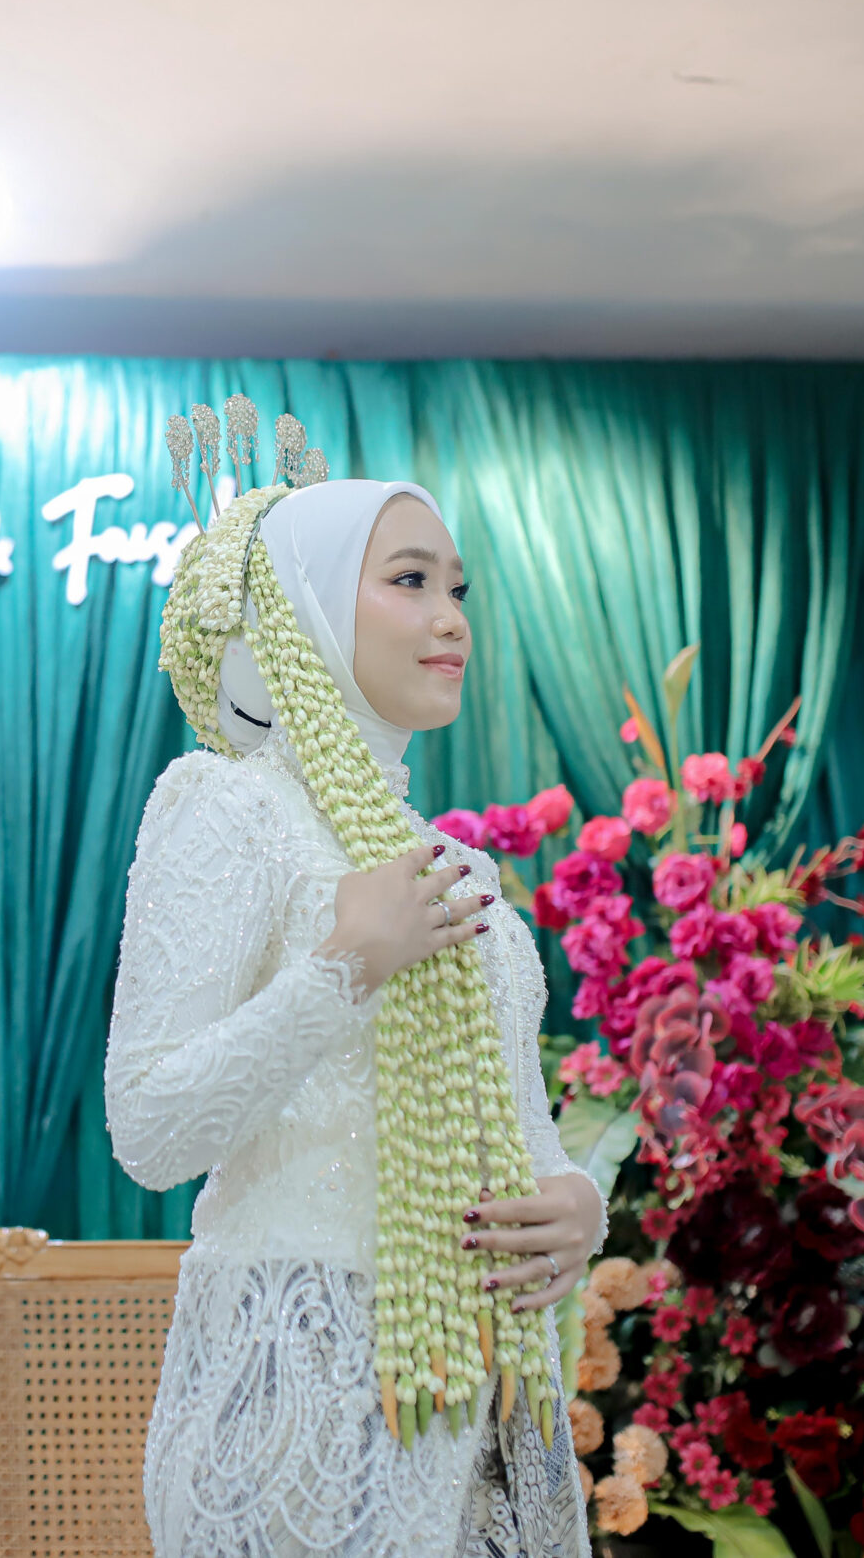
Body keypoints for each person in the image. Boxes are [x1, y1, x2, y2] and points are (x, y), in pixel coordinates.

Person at [108, 469, 606, 1557]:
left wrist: (575, 1205)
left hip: (486, 1400)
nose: (450, 618)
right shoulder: (231, 807)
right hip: (300, 1394)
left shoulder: (460, 870)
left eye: (458, 589)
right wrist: (344, 969)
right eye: (409, 580)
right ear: (307, 605)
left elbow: (524, 1137)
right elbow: (148, 1128)